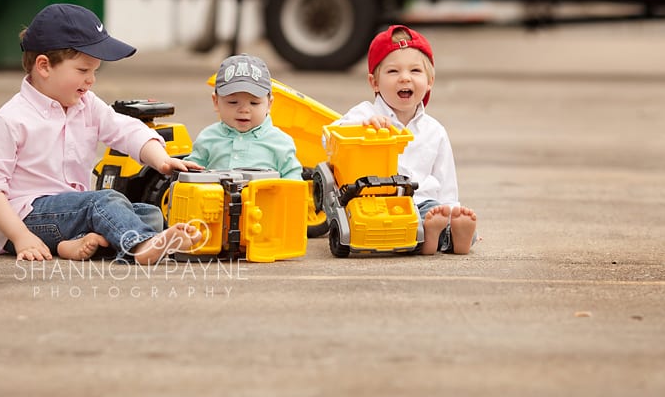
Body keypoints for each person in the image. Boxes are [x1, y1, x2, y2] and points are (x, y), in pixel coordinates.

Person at [0, 3, 202, 264]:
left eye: (95, 71)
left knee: (148, 214)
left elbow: (124, 128)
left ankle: (73, 245)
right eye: (83, 70)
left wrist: (160, 158)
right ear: (44, 66)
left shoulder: (86, 105)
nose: (91, 80)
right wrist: (21, 236)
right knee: (105, 202)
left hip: (73, 214)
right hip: (26, 221)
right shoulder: (10, 120)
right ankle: (140, 248)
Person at [334, 25, 478, 254]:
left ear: (430, 80)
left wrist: (452, 210)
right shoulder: (364, 114)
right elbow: (330, 139)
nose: (404, 78)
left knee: (448, 220)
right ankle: (430, 239)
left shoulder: (435, 130)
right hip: (377, 203)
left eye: (415, 71)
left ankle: (448, 237)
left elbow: (445, 178)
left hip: (424, 205)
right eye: (393, 72)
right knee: (396, 227)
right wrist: (362, 127)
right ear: (374, 82)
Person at [185, 54, 303, 180]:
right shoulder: (208, 138)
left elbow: (294, 180)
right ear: (216, 102)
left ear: (269, 104)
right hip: (214, 199)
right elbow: (191, 174)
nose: (244, 110)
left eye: (254, 103)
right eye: (233, 102)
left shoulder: (280, 142)